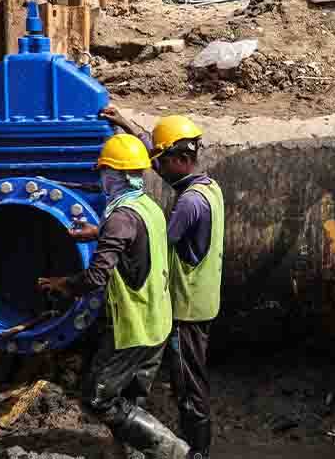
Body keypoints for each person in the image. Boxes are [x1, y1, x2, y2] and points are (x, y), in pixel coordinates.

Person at [37, 134, 190, 459]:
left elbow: (95, 277)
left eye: (104, 172)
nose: (101, 179)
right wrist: (97, 232)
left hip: (134, 328)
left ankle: (176, 452)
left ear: (116, 175)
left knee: (99, 398)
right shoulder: (148, 207)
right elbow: (135, 236)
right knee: (130, 401)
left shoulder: (120, 216)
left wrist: (62, 283)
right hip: (159, 322)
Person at [100, 108, 223, 459]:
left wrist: (103, 233)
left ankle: (196, 453)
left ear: (183, 159)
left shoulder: (188, 204)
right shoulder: (208, 187)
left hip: (186, 309)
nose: (157, 167)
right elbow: (155, 162)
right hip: (204, 300)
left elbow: (152, 239)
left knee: (189, 385)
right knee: (186, 379)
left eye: (163, 160)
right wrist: (127, 127)